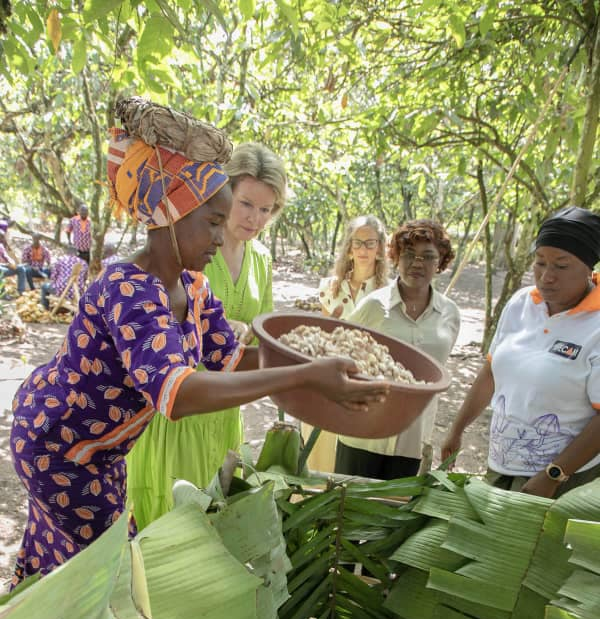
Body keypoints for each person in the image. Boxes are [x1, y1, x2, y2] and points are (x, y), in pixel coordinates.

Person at [9, 97, 389, 588]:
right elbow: (179, 393)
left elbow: (231, 361)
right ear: (170, 214)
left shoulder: (193, 286)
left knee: (74, 565)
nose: (222, 233)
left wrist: (314, 362)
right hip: (59, 445)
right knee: (106, 578)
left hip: (102, 451)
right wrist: (303, 375)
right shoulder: (130, 289)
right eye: (212, 221)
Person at [126, 142, 287, 528]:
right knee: (167, 523)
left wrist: (251, 337)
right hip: (179, 409)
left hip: (224, 409)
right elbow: (151, 331)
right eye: (246, 204)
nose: (254, 218)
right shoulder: (183, 249)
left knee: (210, 523)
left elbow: (261, 329)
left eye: (266, 210)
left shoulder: (261, 260)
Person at [442, 205, 600, 498]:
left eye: (561, 266)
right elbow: (491, 372)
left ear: (589, 268)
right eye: (540, 262)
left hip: (566, 480)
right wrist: (457, 428)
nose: (547, 276)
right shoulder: (521, 303)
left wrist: (555, 474)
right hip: (503, 463)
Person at [335, 219, 460, 479]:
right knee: (349, 511)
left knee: (395, 515)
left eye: (428, 256)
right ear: (395, 258)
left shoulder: (449, 314)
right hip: (364, 433)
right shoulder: (374, 306)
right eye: (409, 255)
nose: (417, 263)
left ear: (440, 262)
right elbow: (339, 349)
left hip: (413, 438)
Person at [303, 215, 389, 473]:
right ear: (349, 248)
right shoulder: (330, 288)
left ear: (381, 248)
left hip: (364, 384)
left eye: (370, 243)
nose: (363, 250)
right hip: (329, 382)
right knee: (319, 455)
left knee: (348, 464)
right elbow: (321, 337)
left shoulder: (389, 293)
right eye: (357, 243)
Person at [0, 228, 28, 294]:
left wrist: (12, 263)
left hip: (5, 267)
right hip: (1, 268)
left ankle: (21, 291)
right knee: (1, 270)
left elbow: (6, 257)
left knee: (21, 268)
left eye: (2, 237)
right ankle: (3, 293)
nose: (2, 239)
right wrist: (6, 265)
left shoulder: (1, 246)